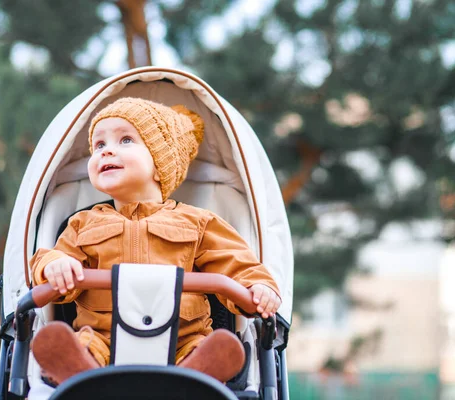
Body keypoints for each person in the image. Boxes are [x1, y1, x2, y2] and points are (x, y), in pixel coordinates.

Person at [30, 97, 282, 385]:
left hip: (181, 340)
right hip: (102, 340)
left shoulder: (197, 222)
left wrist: (259, 286)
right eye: (99, 145)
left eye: (125, 140)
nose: (107, 150)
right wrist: (55, 265)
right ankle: (82, 373)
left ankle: (196, 375)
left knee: (209, 346)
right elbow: (50, 258)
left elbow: (236, 262)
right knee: (82, 343)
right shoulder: (82, 223)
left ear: (160, 162)